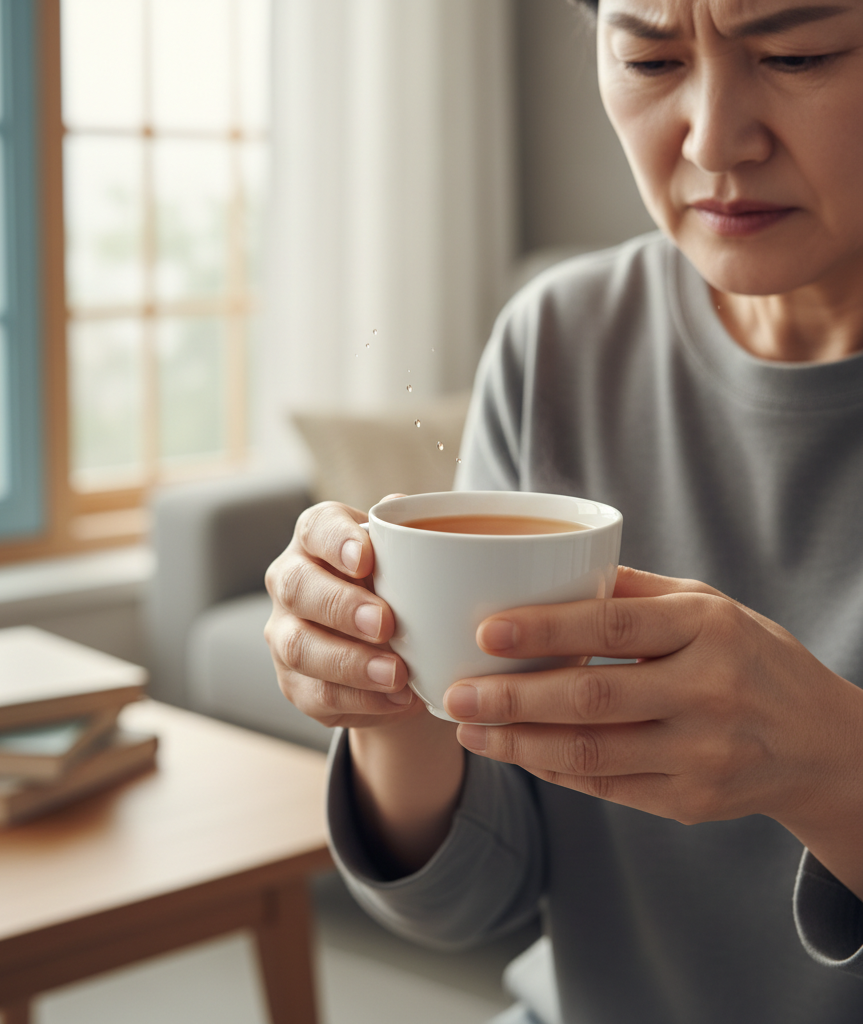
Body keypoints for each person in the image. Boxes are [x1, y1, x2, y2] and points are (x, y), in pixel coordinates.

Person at [263, 0, 863, 1020]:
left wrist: (830, 765)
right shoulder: (561, 340)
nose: (715, 138)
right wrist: (388, 695)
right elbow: (475, 899)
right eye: (649, 56)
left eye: (795, 54)